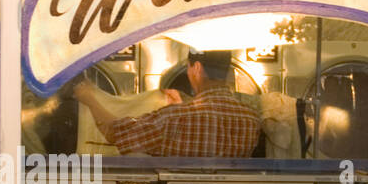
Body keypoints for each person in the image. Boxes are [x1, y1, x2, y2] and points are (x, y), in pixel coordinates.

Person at [72, 48, 261, 157]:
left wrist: (90, 99)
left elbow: (117, 133)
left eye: (188, 67)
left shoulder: (173, 119)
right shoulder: (250, 119)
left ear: (196, 68)